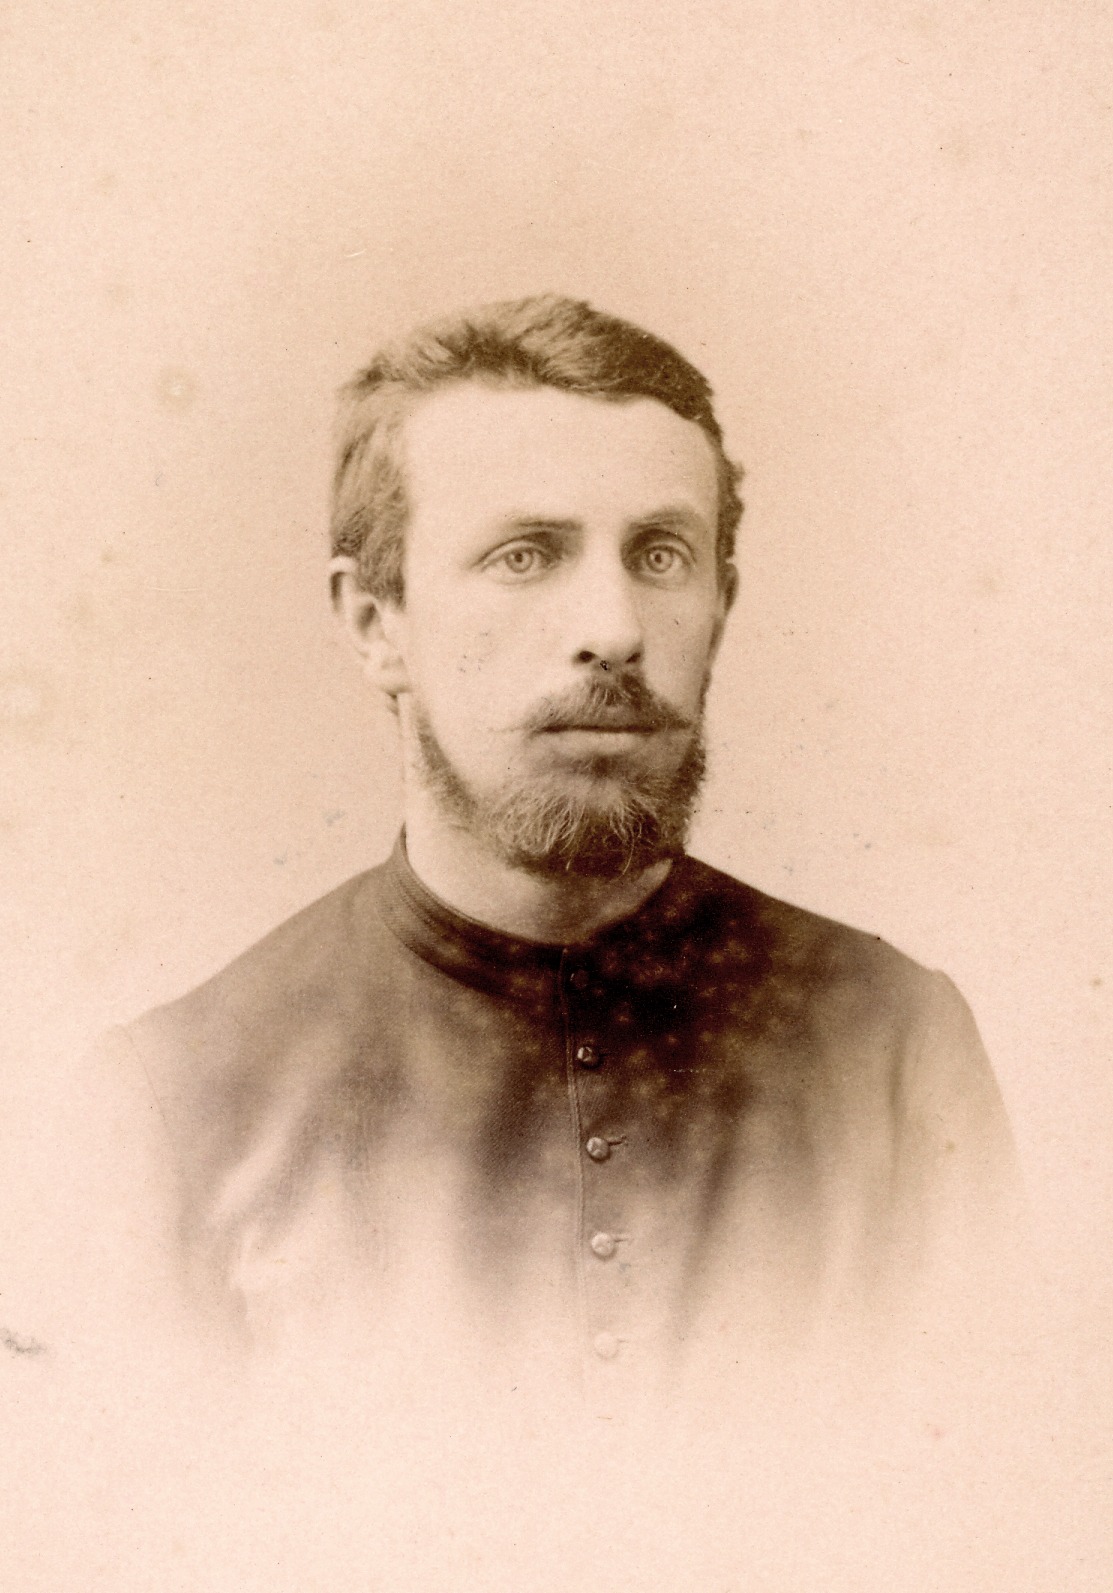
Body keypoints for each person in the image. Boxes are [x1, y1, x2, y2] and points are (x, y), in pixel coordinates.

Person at [104, 295, 1020, 1403]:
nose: (615, 629)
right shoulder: (174, 1102)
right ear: (375, 623)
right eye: (524, 556)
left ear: (721, 604)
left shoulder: (897, 1045)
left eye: (661, 554)